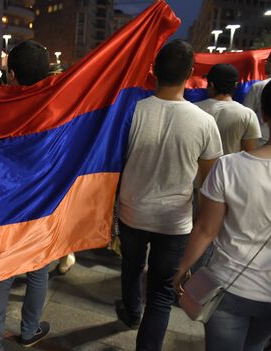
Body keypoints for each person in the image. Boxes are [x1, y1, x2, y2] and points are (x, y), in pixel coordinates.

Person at [115, 40, 223, 351]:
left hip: (131, 211)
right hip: (175, 222)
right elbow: (208, 183)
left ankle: (132, 312)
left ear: (153, 70)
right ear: (191, 74)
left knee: (131, 267)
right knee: (162, 293)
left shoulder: (132, 112)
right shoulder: (204, 122)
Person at [173, 81, 271, 351]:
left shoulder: (230, 166)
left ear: (263, 114)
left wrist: (181, 269)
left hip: (228, 285)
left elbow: (206, 229)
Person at [0, 40, 51, 351]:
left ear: (11, 74)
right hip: (40, 204)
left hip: (4, 204)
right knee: (38, 269)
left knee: (1, 271)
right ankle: (29, 329)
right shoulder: (57, 107)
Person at [196, 64, 261, 154]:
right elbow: (249, 153)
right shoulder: (248, 114)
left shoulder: (194, 109)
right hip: (231, 168)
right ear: (235, 86)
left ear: (211, 84)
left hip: (199, 168)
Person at [244, 51, 271, 147]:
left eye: (267, 60)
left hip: (261, 143)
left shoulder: (259, 87)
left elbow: (246, 117)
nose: (265, 63)